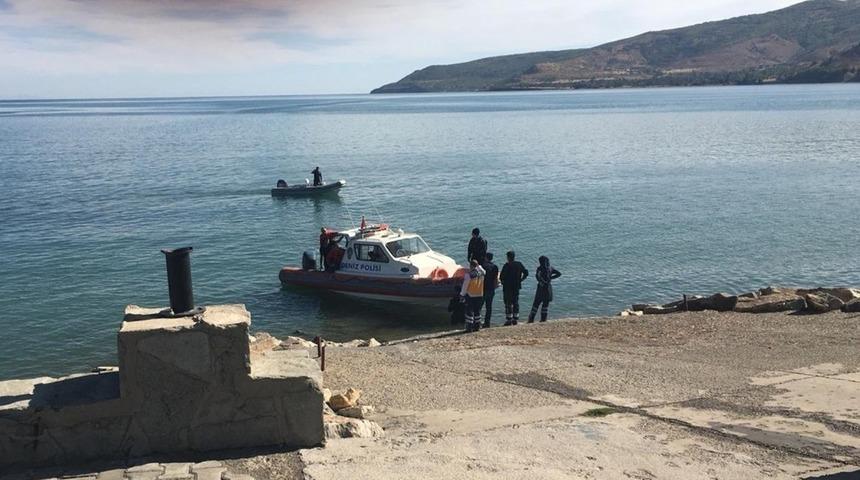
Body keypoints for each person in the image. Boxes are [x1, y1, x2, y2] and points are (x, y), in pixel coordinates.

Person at [528, 256, 561, 323]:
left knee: (536, 304)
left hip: (541, 288)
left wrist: (542, 281)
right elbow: (559, 274)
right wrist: (551, 278)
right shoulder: (550, 268)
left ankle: (531, 319)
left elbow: (537, 277)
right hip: (548, 288)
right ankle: (543, 319)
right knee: (545, 305)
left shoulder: (539, 268)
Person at [500, 250, 529, 325]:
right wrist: (521, 280)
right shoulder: (519, 264)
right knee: (515, 302)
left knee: (508, 303)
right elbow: (526, 272)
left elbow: (501, 276)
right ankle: (515, 318)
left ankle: (509, 319)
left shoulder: (507, 265)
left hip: (508, 287)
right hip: (516, 286)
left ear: (508, 257)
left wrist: (503, 282)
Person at [459, 259, 486, 332]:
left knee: (469, 311)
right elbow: (484, 271)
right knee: (477, 311)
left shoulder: (469, 275)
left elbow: (465, 286)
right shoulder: (481, 273)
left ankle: (469, 327)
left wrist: (462, 295)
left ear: (470, 266)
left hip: (471, 295)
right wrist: (479, 266)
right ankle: (477, 326)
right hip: (480, 294)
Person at [482, 253, 499, 328]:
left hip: (483, 288)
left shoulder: (483, 266)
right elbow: (496, 278)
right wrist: (495, 286)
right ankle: (487, 323)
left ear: (486, 258)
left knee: (479, 306)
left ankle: (477, 321)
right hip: (491, 288)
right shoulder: (495, 267)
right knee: (489, 307)